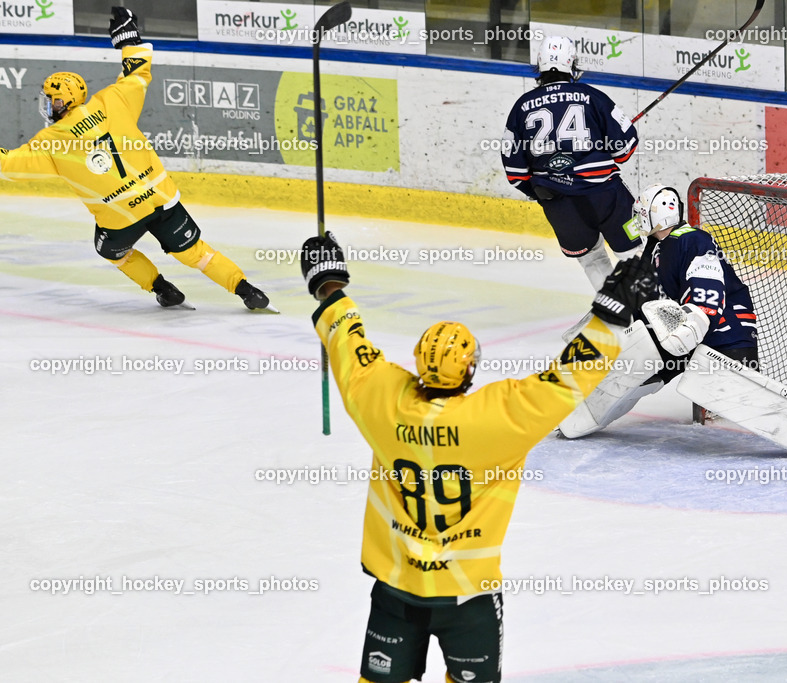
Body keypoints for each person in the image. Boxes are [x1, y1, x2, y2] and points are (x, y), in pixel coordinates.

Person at [300, 232, 657, 683]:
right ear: (470, 370)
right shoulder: (498, 419)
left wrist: (328, 282)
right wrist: (611, 316)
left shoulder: (381, 401)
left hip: (397, 588)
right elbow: (567, 379)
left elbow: (349, 348)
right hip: (468, 596)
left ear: (418, 360)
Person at [0, 7, 274, 312]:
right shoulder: (112, 100)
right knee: (196, 252)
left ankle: (162, 288)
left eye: (51, 99)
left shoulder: (50, 142)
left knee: (112, 252)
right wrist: (129, 39)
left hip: (120, 218)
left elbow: (7, 164)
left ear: (62, 102)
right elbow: (138, 72)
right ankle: (247, 290)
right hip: (160, 199)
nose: (47, 105)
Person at [558, 184, 787, 464]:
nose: (636, 218)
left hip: (725, 332)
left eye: (642, 211)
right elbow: (645, 299)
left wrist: (695, 322)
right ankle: (581, 416)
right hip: (679, 335)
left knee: (734, 393)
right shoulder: (655, 248)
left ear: (658, 212)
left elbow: (707, 289)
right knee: (637, 368)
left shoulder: (693, 239)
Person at [501, 35, 641, 291]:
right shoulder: (593, 97)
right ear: (572, 63)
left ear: (540, 65)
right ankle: (656, 309)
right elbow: (624, 150)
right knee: (634, 255)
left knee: (592, 259)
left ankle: (620, 311)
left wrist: (544, 190)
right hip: (606, 196)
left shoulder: (521, 107)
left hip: (559, 203)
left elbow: (515, 173)